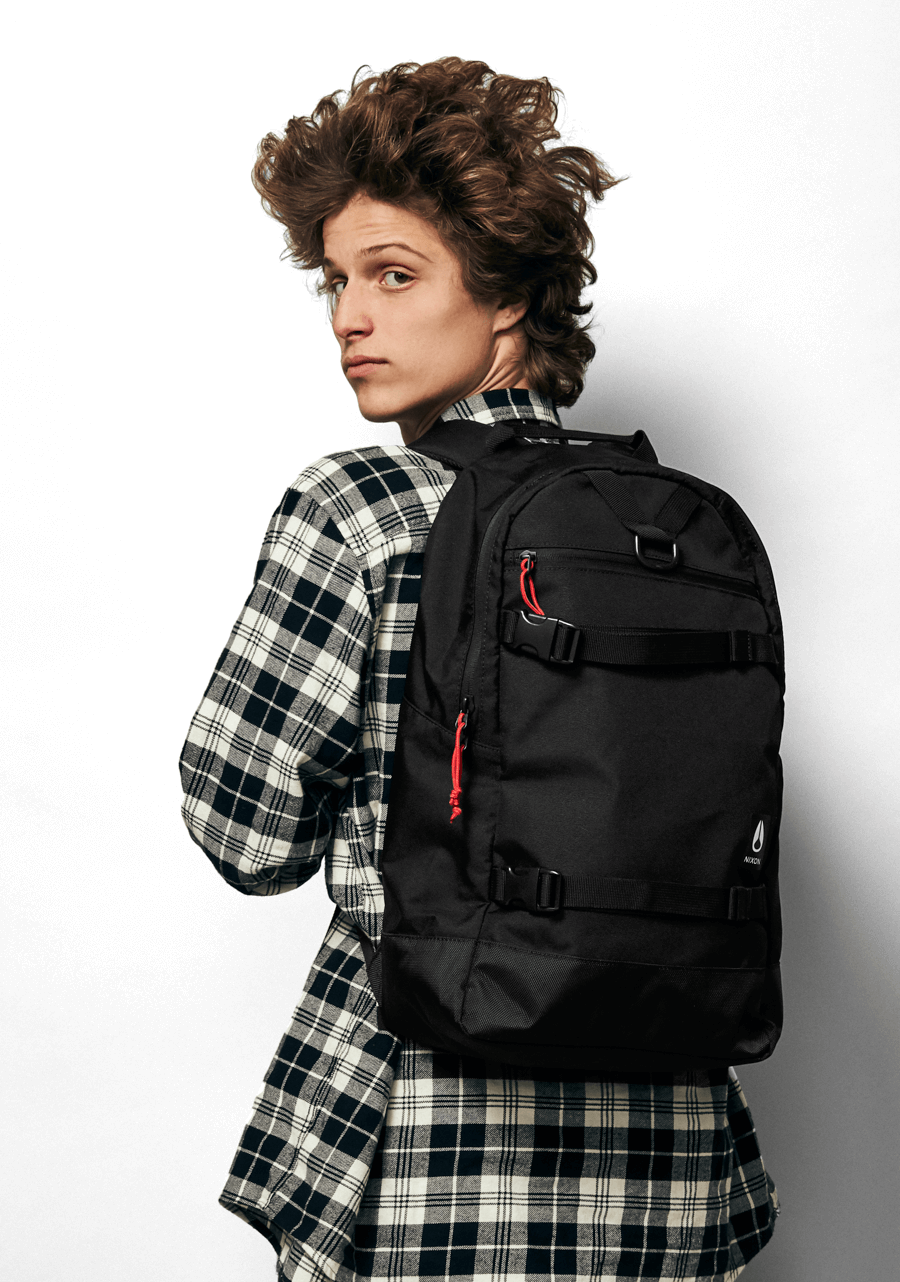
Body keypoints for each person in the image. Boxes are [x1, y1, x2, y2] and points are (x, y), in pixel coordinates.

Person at [180, 57, 778, 1282]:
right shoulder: (679, 526)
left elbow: (246, 834)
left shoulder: (357, 507)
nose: (350, 317)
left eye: (394, 275)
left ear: (506, 296)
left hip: (427, 1149)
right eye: (338, 279)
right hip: (671, 1159)